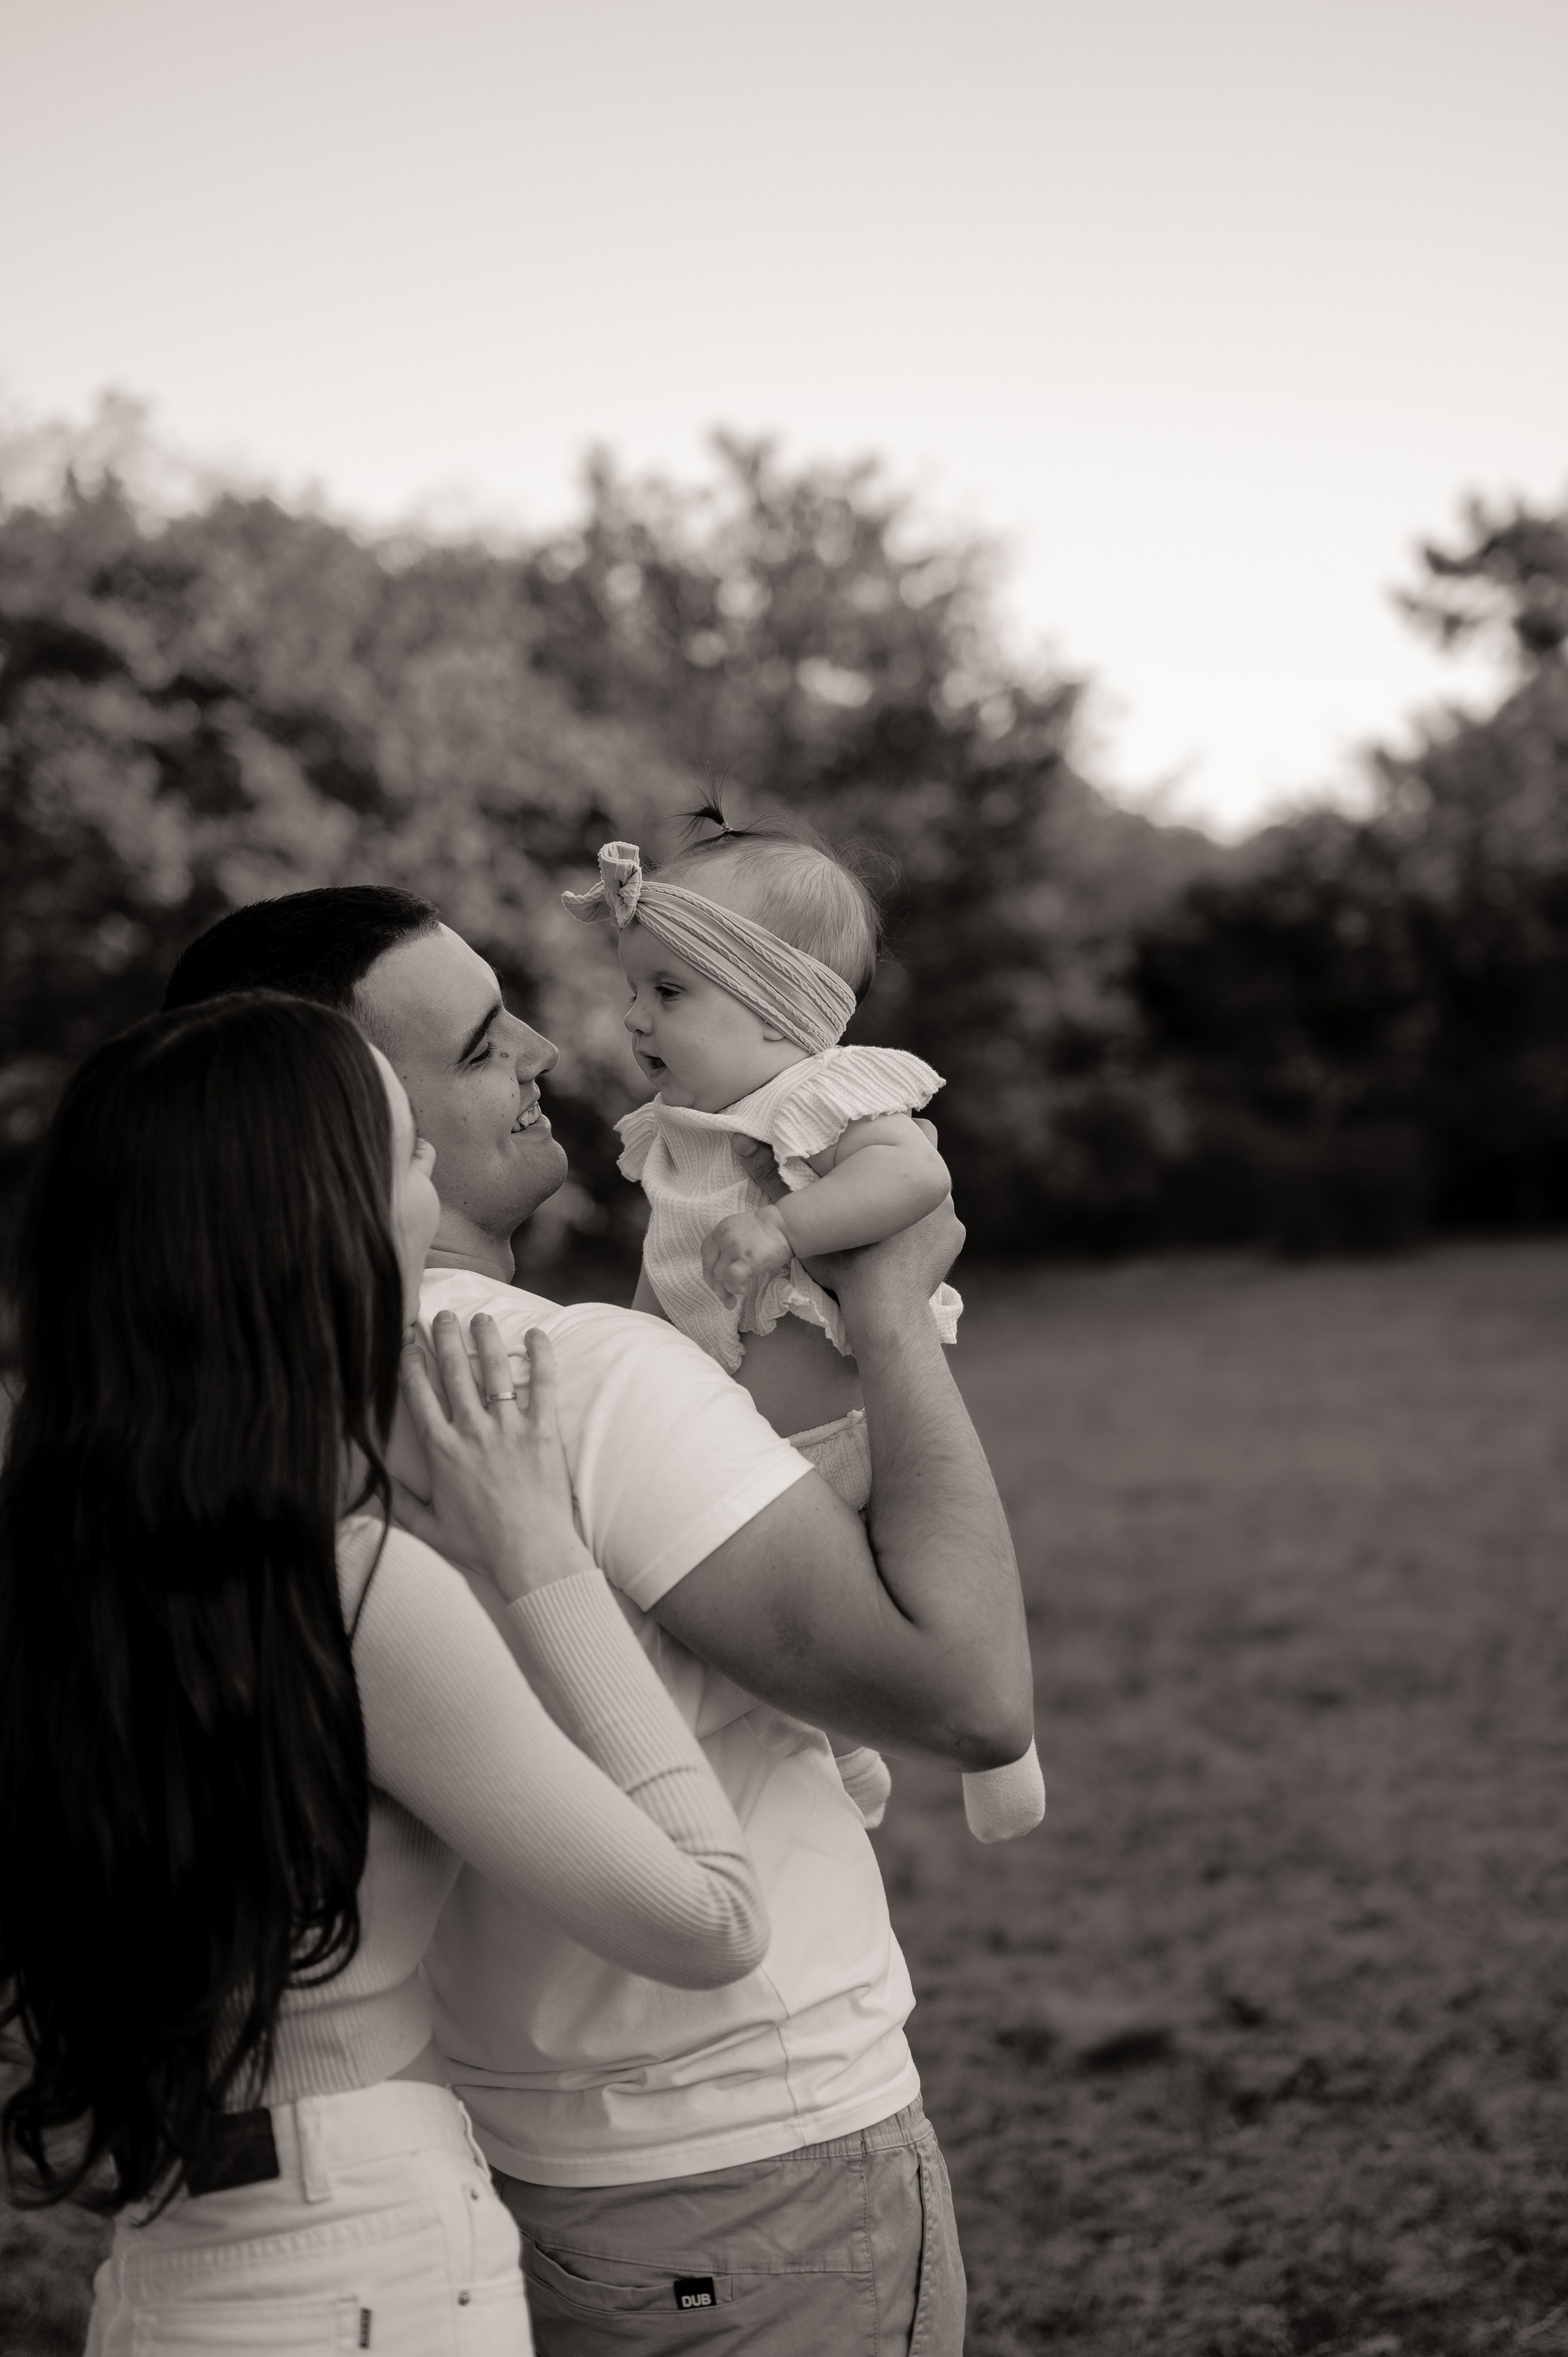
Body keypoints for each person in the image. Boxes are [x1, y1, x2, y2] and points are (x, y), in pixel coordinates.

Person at [163, 884, 1039, 2357]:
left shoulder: (203, 1427)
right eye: (474, 1043)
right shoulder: (565, 1378)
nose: (543, 1054)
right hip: (747, 2161)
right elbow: (968, 1694)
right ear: (342, 1114)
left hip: (476, 2160)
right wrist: (889, 1320)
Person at [0, 991, 772, 2355]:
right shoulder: (346, 1584)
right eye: (410, 1149)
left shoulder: (53, 1555)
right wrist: (542, 1558)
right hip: (361, 2262)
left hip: (164, 2263)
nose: (432, 1185)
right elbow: (709, 1920)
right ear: (331, 1227)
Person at [562, 813, 1046, 1844]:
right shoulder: (675, 1139)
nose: (637, 1020)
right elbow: (668, 1285)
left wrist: (786, 1225)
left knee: (922, 1588)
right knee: (805, 1627)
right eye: (634, 992)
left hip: (853, 1421)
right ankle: (848, 1747)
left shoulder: (822, 1092)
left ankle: (1008, 1757)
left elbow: (915, 1177)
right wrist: (628, 1362)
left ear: (781, 1014)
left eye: (672, 993)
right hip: (757, 1448)